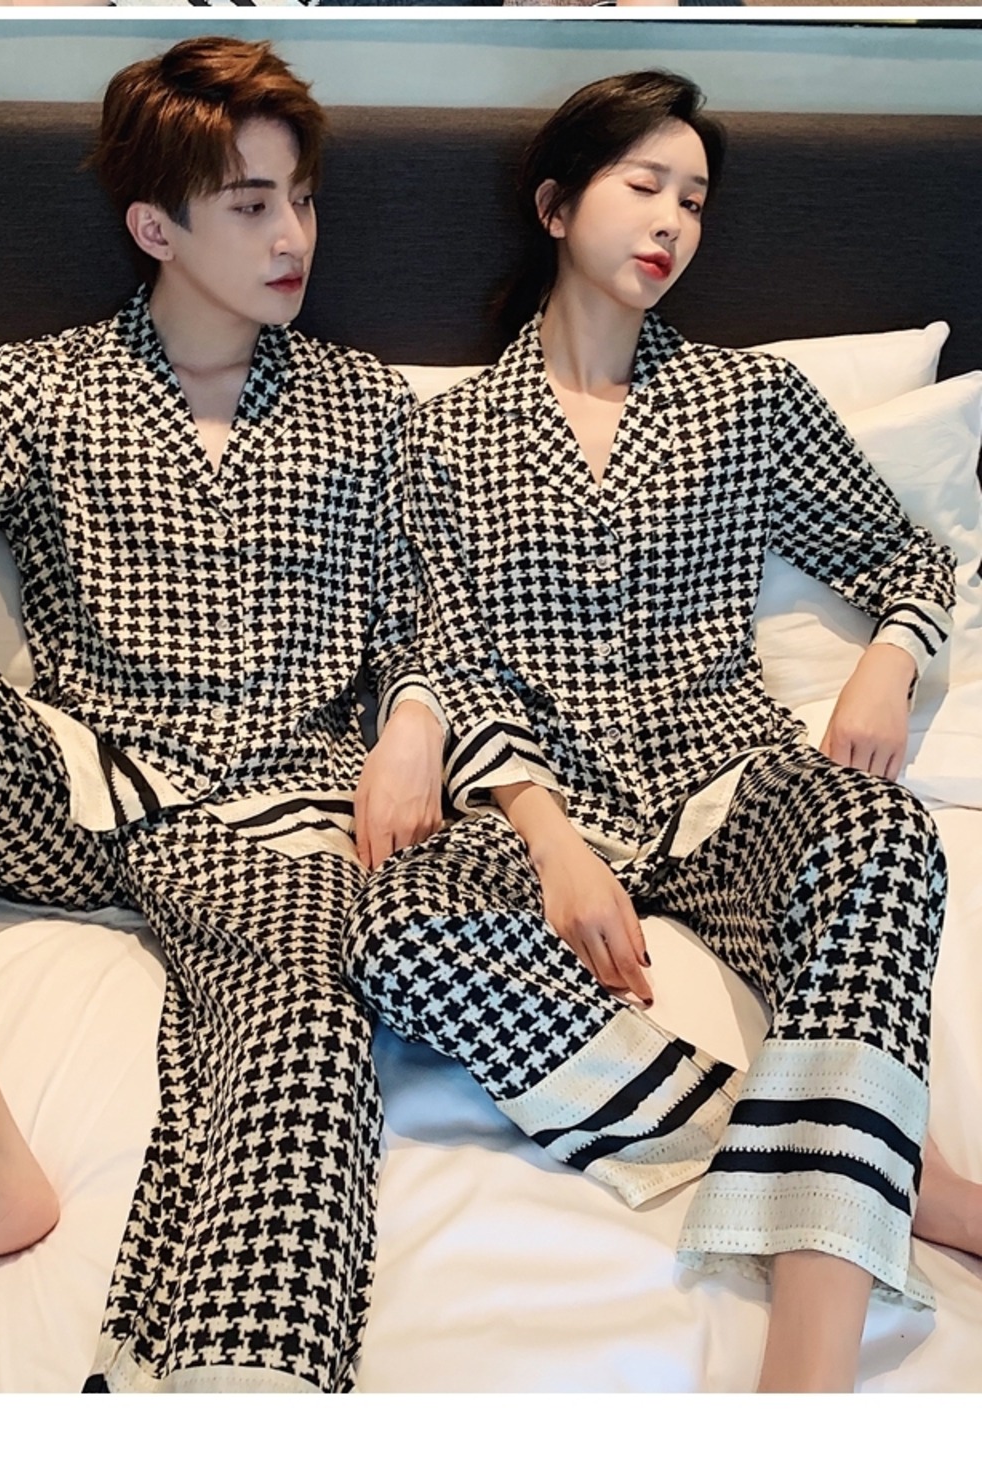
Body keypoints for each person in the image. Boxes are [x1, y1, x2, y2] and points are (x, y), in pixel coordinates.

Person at [0, 35, 445, 1394]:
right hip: (73, 795)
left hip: (282, 822)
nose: (294, 237)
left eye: (302, 199)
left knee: (302, 1020)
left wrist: (412, 727)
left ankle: (235, 1383)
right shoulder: (38, 386)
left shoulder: (368, 404)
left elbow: (426, 616)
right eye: (251, 205)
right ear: (155, 227)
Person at [343, 70, 982, 1392]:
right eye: (644, 185)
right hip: (545, 803)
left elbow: (915, 558)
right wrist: (551, 841)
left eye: (694, 200)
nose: (672, 222)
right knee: (395, 925)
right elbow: (444, 654)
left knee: (881, 839)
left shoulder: (751, 402)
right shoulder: (445, 437)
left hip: (724, 779)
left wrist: (889, 662)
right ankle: (868, 1152)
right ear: (555, 204)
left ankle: (804, 1379)